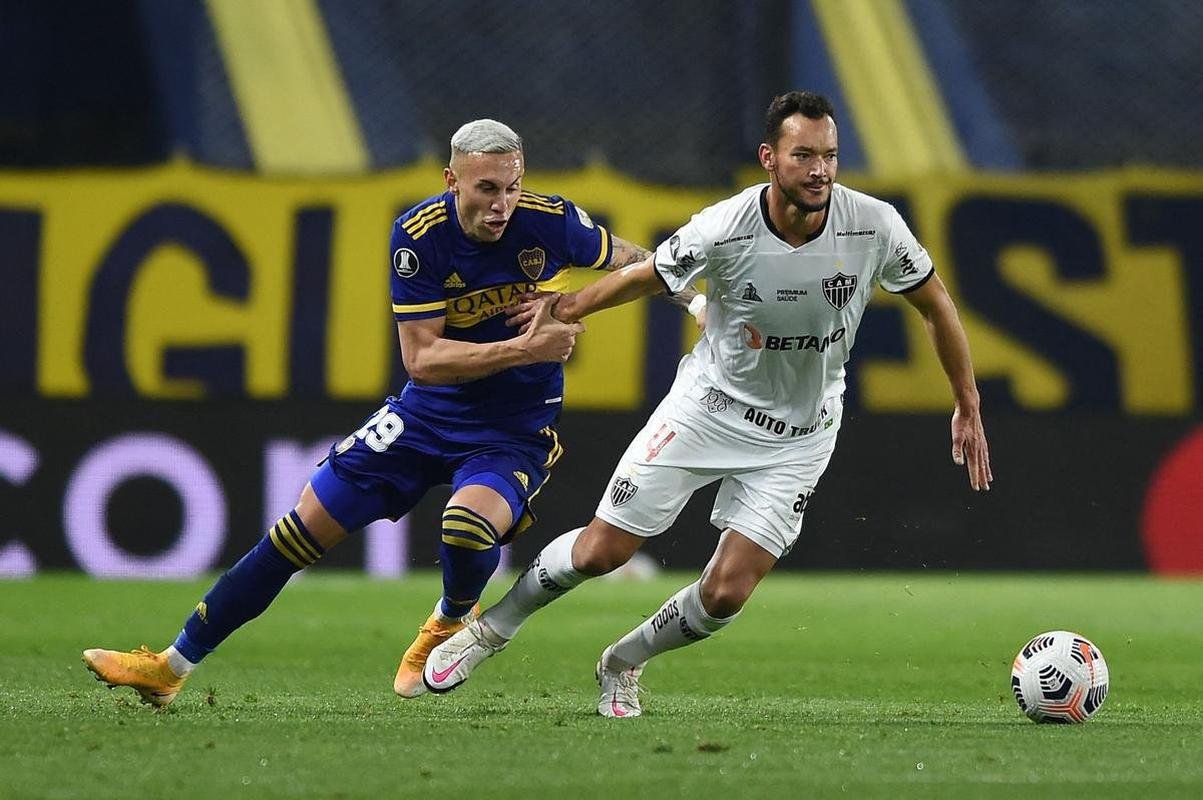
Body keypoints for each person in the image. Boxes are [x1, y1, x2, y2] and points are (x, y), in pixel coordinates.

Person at [422, 92, 993, 717]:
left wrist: (967, 401)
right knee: (601, 552)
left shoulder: (873, 224)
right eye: (804, 155)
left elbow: (936, 303)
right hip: (706, 409)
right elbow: (649, 275)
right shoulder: (726, 225)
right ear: (770, 158)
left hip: (802, 434)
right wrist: (567, 305)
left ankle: (623, 661)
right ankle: (491, 629)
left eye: (830, 155)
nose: (820, 170)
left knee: (726, 595)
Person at [81, 118, 671, 705]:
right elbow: (423, 359)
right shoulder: (419, 236)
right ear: (452, 181)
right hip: (424, 415)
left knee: (465, 527)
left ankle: (448, 620)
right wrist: (525, 346)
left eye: (512, 186)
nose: (502, 204)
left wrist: (677, 298)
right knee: (295, 533)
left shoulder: (551, 222)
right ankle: (170, 667)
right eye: (487, 189)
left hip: (511, 430)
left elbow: (642, 263)